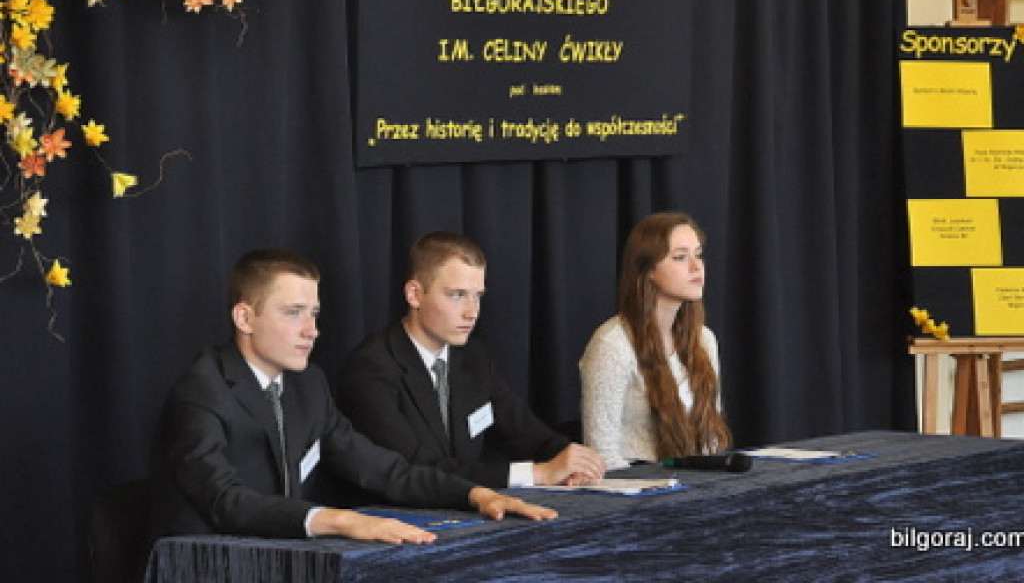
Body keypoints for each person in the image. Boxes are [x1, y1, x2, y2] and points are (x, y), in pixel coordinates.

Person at [150, 248, 555, 545]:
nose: (311, 330)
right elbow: (224, 501)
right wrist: (341, 521)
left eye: (314, 313)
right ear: (245, 318)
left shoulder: (309, 384)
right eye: (293, 312)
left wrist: (472, 494)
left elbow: (382, 469)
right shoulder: (201, 391)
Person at [338, 231, 605, 488]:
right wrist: (538, 473)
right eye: (457, 295)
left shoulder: (473, 357)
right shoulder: (370, 368)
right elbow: (416, 470)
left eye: (477, 296)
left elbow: (525, 432)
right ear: (414, 294)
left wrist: (574, 461)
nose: (472, 312)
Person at [579, 212, 731, 470]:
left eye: (698, 254)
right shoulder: (612, 344)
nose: (696, 267)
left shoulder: (704, 338)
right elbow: (601, 453)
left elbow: (710, 441)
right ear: (648, 270)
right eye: (680, 257)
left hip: (695, 483)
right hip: (636, 484)